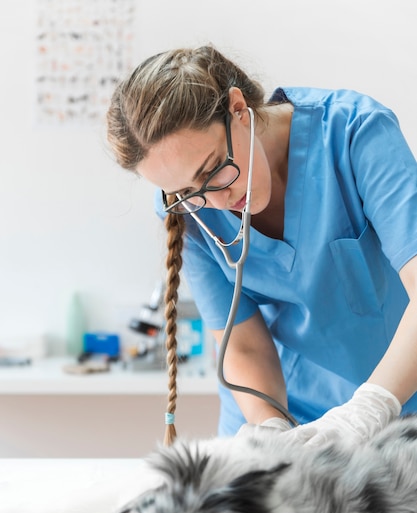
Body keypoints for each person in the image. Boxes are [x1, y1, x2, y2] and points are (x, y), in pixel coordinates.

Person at [106, 44, 417, 447]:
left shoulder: (355, 134)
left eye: (213, 169)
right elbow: (243, 342)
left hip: (396, 400)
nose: (216, 202)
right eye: (186, 190)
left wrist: (370, 408)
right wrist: (271, 433)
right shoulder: (186, 210)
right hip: (277, 406)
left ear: (237, 108)